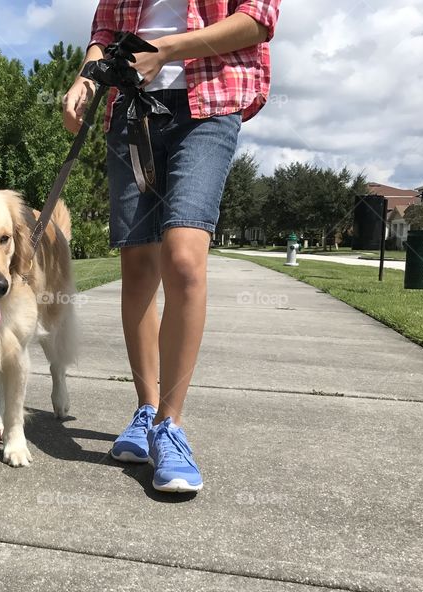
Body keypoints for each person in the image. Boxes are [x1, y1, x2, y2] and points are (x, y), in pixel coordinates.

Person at [63, 0, 280, 492]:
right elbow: (106, 29)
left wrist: (165, 49)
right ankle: (145, 409)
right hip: (131, 111)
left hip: (207, 106)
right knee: (138, 266)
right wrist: (88, 77)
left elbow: (257, 21)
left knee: (182, 259)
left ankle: (170, 424)